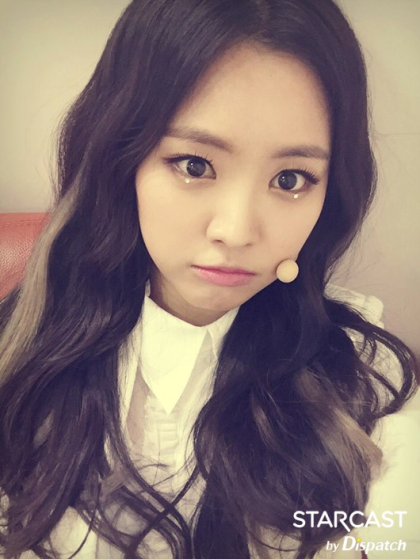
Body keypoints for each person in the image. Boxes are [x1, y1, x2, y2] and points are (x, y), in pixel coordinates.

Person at [0, 0, 419, 558]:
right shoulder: (23, 351)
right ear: (121, 160)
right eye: (195, 165)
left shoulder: (360, 369)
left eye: (291, 179)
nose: (237, 230)